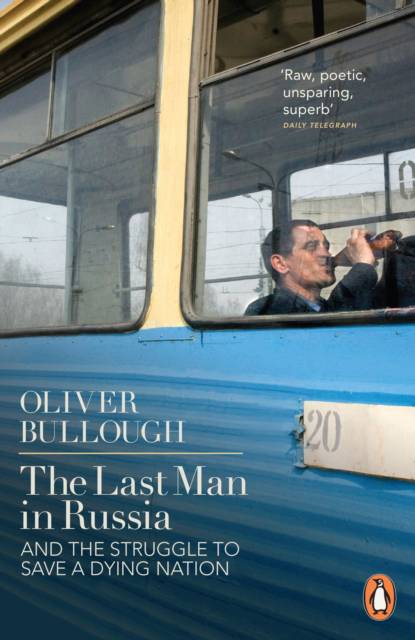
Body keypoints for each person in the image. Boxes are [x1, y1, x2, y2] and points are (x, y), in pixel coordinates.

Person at [245, 219, 378, 315]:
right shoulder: (267, 310)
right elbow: (331, 329)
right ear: (280, 264)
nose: (326, 254)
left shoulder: (319, 306)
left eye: (326, 247)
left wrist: (391, 256)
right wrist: (363, 268)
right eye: (311, 247)